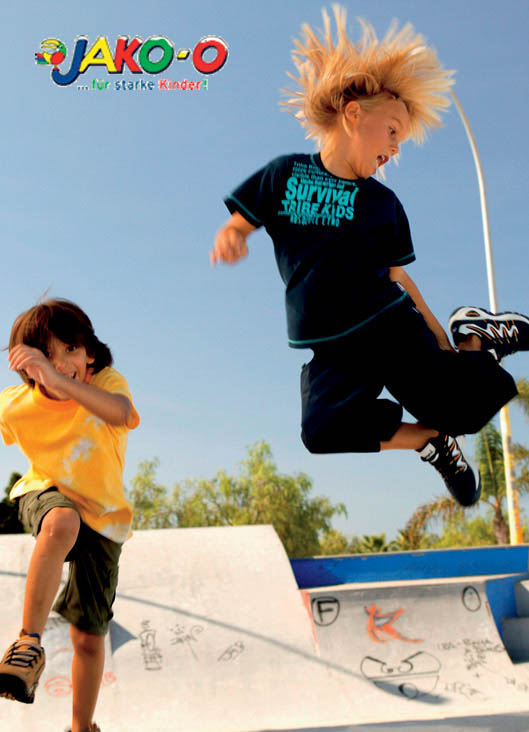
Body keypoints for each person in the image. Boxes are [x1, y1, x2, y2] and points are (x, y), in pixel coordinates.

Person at [211, 7, 528, 507]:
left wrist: (442, 340)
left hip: (388, 328)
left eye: (401, 139)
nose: (395, 148)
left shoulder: (382, 203)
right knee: (322, 430)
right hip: (330, 344)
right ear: (354, 114)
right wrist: (233, 234)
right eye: (393, 131)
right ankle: (428, 441)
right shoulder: (284, 174)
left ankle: (477, 339)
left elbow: (398, 276)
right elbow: (243, 218)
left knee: (461, 410)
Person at [0, 299, 139, 732]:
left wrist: (58, 379)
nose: (64, 363)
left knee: (88, 637)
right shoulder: (15, 403)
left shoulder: (108, 383)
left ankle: (82, 727)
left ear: (90, 354)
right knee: (62, 522)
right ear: (28, 367)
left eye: (72, 350)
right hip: (45, 493)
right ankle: (27, 645)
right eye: (49, 355)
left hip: (105, 516)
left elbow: (120, 413)